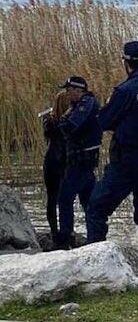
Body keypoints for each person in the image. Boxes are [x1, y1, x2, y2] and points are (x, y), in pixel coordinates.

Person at [86, 41, 138, 250]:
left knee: (96, 208)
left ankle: (96, 260)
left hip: (127, 159)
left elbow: (104, 121)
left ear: (126, 62)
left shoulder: (125, 90)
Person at [55, 76, 102, 249]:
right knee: (88, 202)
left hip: (81, 161)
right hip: (82, 161)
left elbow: (70, 126)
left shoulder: (87, 103)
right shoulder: (79, 105)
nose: (67, 94)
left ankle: (66, 239)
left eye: (69, 90)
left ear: (78, 90)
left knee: (65, 198)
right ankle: (95, 239)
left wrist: (61, 120)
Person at [41, 89, 71, 243]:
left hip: (51, 160)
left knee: (51, 199)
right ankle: (67, 232)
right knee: (66, 199)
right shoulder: (73, 120)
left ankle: (54, 233)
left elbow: (48, 135)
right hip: (66, 161)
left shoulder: (48, 120)